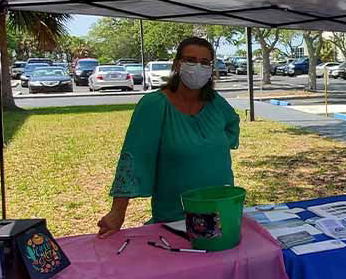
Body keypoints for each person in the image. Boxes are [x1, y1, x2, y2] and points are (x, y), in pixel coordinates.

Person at [97, 37, 240, 236]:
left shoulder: (216, 103)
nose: (197, 67)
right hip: (175, 221)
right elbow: (133, 159)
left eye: (205, 62)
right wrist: (117, 212)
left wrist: (208, 146)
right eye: (190, 60)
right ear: (176, 64)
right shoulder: (154, 105)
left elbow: (232, 125)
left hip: (222, 213)